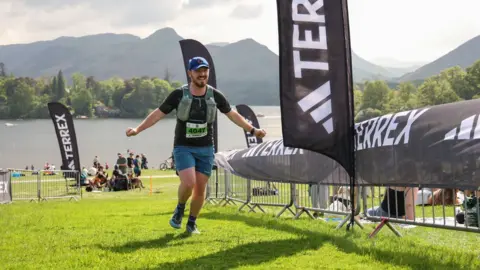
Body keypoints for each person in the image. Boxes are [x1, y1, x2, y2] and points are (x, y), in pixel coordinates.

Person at [125, 56, 266, 234]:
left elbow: (232, 114)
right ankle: (180, 208)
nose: (202, 74)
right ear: (190, 73)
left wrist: (252, 130)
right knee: (189, 182)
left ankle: (192, 223)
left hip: (206, 148)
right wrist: (138, 129)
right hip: (183, 147)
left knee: (200, 188)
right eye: (198, 71)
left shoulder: (215, 95)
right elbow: (158, 114)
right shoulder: (179, 94)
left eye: (205, 71)